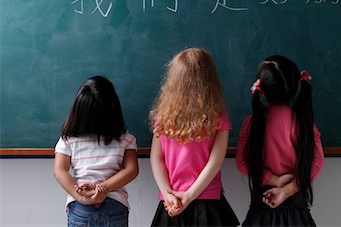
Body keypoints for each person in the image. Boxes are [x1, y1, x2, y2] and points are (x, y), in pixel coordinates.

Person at [149, 47, 239, 227]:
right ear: (210, 80)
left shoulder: (163, 116)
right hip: (207, 202)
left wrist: (168, 195)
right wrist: (188, 196)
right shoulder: (218, 116)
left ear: (174, 81)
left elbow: (156, 158)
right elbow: (215, 163)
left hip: (172, 202)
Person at [236, 55, 324, 226]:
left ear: (261, 88)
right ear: (294, 86)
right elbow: (317, 163)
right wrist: (287, 189)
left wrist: (273, 180)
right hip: (296, 210)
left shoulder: (252, 123)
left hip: (261, 210)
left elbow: (241, 162)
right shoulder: (303, 123)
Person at [53, 76, 139, 227]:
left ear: (79, 111)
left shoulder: (68, 139)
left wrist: (81, 197)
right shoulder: (126, 138)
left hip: (81, 206)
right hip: (114, 204)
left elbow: (60, 170)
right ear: (113, 108)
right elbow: (131, 170)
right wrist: (103, 188)